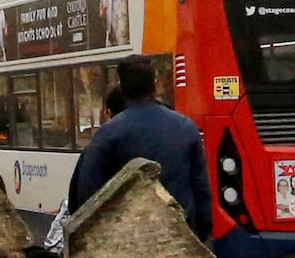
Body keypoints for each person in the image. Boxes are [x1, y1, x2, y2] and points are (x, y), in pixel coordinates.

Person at [66, 55, 210, 236]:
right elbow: (201, 189)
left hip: (126, 243)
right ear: (154, 85)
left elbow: (86, 198)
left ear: (122, 87)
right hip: (179, 237)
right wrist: (199, 235)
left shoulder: (107, 134)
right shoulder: (185, 127)